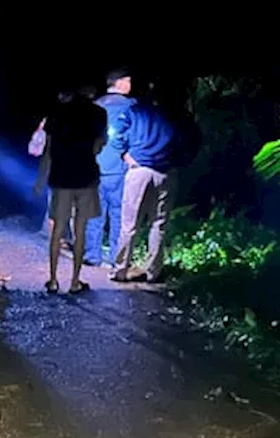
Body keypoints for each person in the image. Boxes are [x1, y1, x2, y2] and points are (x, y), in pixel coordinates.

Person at [33, 89, 108, 294]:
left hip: (60, 176)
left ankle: (53, 279)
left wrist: (40, 180)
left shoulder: (57, 113)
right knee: (80, 228)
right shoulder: (98, 113)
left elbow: (48, 151)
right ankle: (75, 281)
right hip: (86, 176)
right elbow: (99, 146)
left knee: (58, 228)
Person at [109, 94, 180, 283]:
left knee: (129, 224)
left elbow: (114, 133)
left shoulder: (135, 111)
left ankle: (120, 270)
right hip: (166, 172)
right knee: (159, 224)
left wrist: (125, 155)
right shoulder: (175, 114)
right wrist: (178, 162)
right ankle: (152, 271)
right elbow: (191, 139)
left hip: (139, 170)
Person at [84, 69, 136, 267]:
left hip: (94, 168)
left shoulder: (94, 106)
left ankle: (92, 255)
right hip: (121, 169)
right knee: (119, 215)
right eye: (128, 81)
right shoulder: (132, 107)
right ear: (120, 83)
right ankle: (117, 257)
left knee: (94, 213)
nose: (130, 85)